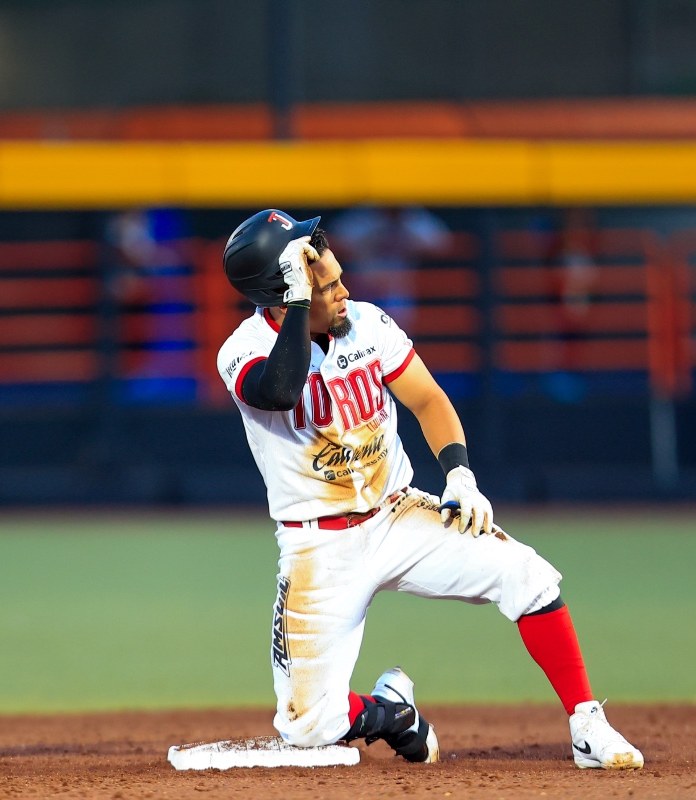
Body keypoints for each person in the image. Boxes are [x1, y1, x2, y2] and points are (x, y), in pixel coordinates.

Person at [216, 209, 644, 769]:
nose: (344, 292)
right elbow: (279, 389)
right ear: (283, 295)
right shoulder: (242, 349)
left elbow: (428, 399)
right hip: (318, 545)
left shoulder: (367, 324)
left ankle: (587, 723)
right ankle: (392, 713)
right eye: (326, 287)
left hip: (397, 514)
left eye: (339, 278)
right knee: (307, 726)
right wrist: (299, 301)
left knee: (527, 574)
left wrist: (460, 475)